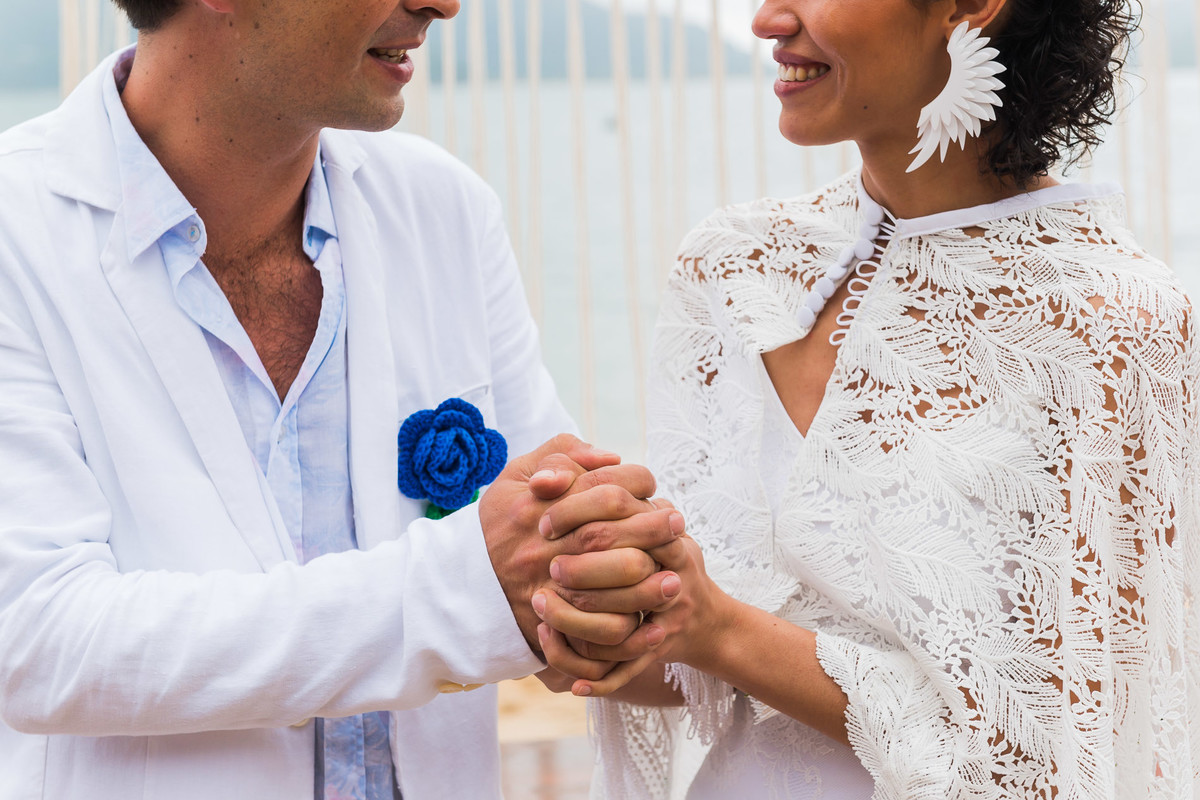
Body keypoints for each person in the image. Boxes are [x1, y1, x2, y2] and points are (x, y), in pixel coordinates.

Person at [0, 0, 683, 797]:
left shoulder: (446, 210)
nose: (444, 4)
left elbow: (546, 566)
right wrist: (460, 589)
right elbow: (39, 641)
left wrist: (612, 581)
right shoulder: (17, 230)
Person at [535, 0, 1200, 796]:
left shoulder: (1112, 327)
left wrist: (719, 630)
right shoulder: (732, 270)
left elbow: (1046, 758)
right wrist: (581, 610)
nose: (767, 20)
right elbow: (686, 671)